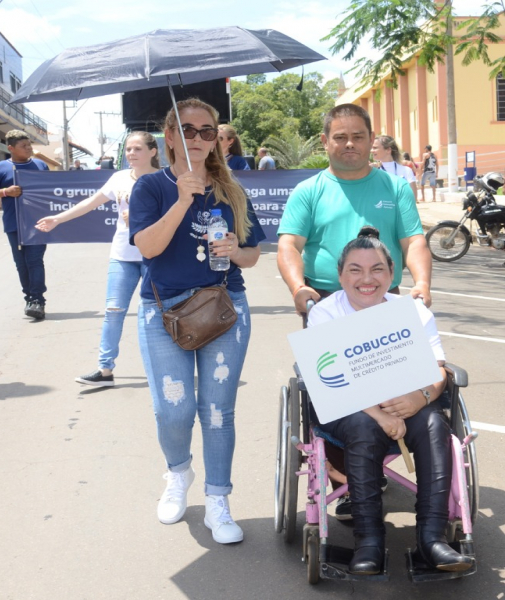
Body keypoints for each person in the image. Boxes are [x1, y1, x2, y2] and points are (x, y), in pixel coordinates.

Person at [129, 98, 265, 544]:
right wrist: (182, 199)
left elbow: (252, 255)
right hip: (164, 312)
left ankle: (218, 500)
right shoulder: (152, 187)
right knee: (174, 410)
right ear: (169, 136)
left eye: (208, 131)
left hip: (225, 309)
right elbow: (147, 248)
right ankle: (178, 473)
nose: (200, 139)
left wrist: (234, 251)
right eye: (188, 130)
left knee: (217, 412)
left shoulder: (231, 191)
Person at [306, 227, 474, 575]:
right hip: (348, 406)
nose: (366, 279)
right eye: (355, 269)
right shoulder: (325, 313)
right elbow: (326, 380)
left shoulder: (412, 312)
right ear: (340, 275)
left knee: (432, 423)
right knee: (364, 426)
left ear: (392, 273)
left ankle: (432, 538)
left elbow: (437, 370)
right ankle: (368, 542)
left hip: (407, 400)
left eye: (377, 269)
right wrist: (380, 415)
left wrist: (420, 397)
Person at [277, 103, 432, 316]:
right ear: (325, 141)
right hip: (323, 303)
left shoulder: (397, 188)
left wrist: (422, 283)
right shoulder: (307, 191)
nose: (349, 144)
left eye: (358, 137)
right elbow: (289, 245)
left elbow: (414, 242)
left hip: (384, 300)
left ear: (371, 139)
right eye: (340, 137)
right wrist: (298, 288)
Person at [35, 132, 160, 386]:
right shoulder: (119, 178)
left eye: (137, 149)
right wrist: (58, 218)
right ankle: (105, 370)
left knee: (155, 314)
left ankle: (162, 368)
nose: (131, 154)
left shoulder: (163, 180)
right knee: (113, 311)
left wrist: (140, 218)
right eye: (128, 149)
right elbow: (91, 203)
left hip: (154, 256)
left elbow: (174, 215)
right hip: (122, 256)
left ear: (153, 152)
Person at [0, 130, 51, 320]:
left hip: (37, 223)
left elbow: (53, 191)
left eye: (29, 145)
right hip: (14, 223)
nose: (29, 149)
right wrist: (5, 192)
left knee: (35, 261)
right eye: (24, 146)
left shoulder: (40, 165)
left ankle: (38, 300)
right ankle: (29, 298)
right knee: (21, 264)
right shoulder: (1, 168)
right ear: (10, 148)